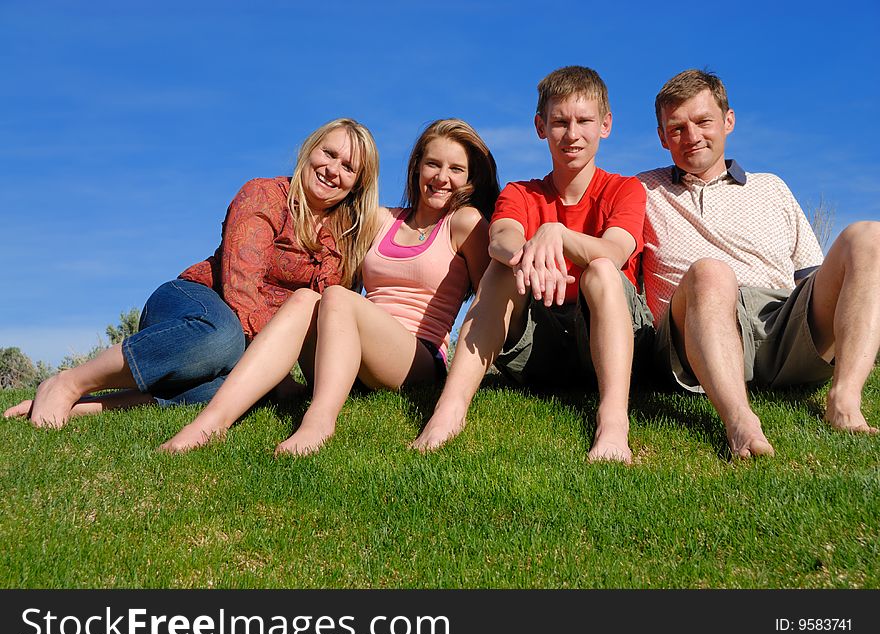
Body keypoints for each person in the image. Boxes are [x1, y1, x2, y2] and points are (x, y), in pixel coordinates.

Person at [4, 118, 381, 430]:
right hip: (196, 302)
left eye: (348, 167)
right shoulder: (263, 196)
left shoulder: (345, 241)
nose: (333, 170)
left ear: (357, 184)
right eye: (328, 154)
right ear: (309, 150)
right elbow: (241, 290)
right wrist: (278, 369)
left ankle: (92, 407)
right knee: (224, 339)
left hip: (251, 340)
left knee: (243, 388)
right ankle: (69, 381)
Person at [160, 118, 500, 455]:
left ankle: (318, 422)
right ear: (416, 168)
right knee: (308, 298)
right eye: (433, 164)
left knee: (336, 296)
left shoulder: (466, 223)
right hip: (353, 352)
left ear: (470, 178)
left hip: (416, 357)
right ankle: (211, 423)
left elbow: (491, 302)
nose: (442, 177)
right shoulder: (381, 220)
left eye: (456, 169)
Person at [412, 66, 654, 464]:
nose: (571, 134)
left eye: (584, 121)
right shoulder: (521, 193)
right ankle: (448, 412)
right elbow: (502, 237)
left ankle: (613, 423)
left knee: (600, 270)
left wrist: (556, 234)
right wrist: (527, 252)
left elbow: (615, 250)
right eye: (559, 122)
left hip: (612, 333)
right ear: (541, 126)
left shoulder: (624, 189)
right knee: (501, 268)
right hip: (540, 341)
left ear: (605, 125)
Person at [637, 68, 880, 459]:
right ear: (662, 137)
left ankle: (845, 398)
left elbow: (813, 278)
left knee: (870, 236)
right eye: (677, 128)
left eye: (703, 121)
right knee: (710, 271)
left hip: (782, 321)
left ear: (728, 121)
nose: (692, 136)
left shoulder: (772, 187)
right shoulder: (641, 191)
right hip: (697, 328)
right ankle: (740, 420)